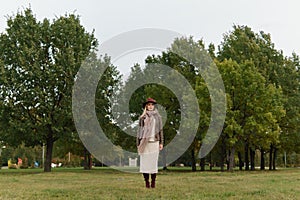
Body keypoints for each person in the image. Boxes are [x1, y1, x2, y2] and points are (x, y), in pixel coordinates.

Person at [137, 98, 163, 188]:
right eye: (148, 105)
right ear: (146, 106)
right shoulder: (142, 118)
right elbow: (139, 131)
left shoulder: (158, 117)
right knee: (145, 164)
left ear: (154, 106)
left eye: (152, 105)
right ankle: (147, 182)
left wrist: (161, 143)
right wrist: (138, 143)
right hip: (145, 143)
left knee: (153, 163)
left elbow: (160, 131)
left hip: (155, 142)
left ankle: (153, 182)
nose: (150, 106)